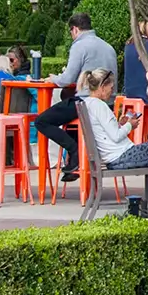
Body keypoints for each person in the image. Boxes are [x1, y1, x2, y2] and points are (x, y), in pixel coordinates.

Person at [38, 13, 118, 181]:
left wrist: (53, 78)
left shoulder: (80, 45)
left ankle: (75, 152)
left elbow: (67, 79)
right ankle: (75, 159)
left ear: (74, 29)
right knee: (70, 113)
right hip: (108, 104)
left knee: (42, 121)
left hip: (86, 103)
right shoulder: (108, 46)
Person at [73, 67, 148, 192]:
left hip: (117, 156)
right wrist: (130, 125)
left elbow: (106, 132)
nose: (112, 92)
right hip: (122, 156)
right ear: (102, 87)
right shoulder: (100, 106)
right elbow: (116, 136)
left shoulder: (89, 103)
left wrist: (121, 124)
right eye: (110, 88)